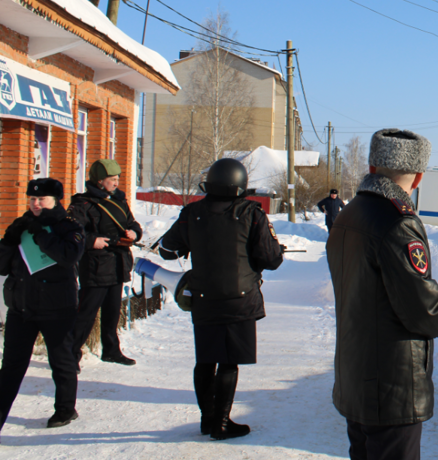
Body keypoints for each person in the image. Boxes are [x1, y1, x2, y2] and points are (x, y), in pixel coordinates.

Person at [327, 128, 438, 460]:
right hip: (391, 383)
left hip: (357, 374)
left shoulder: (348, 214)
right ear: (418, 179)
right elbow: (423, 311)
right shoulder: (398, 222)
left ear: (371, 168)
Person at [158, 158, 284, 440]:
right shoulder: (252, 212)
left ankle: (208, 419)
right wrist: (276, 249)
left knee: (205, 359)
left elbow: (166, 249)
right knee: (228, 361)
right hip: (240, 299)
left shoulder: (191, 213)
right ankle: (222, 423)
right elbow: (271, 259)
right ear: (241, 185)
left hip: (204, 297)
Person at [0, 179, 84, 431]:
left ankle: (65, 409)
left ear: (56, 200)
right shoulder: (23, 225)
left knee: (61, 362)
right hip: (21, 308)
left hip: (57, 309)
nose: (36, 204)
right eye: (32, 199)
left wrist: (41, 236)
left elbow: (69, 256)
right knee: (11, 366)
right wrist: (8, 240)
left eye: (42, 199)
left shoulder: (68, 226)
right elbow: (2, 267)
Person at [68, 159, 142, 368]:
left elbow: (132, 222)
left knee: (112, 313)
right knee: (86, 314)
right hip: (96, 265)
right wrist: (92, 240)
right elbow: (74, 231)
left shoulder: (119, 200)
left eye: (117, 179)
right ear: (100, 181)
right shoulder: (83, 203)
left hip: (118, 264)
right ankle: (70, 354)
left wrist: (134, 232)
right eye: (112, 179)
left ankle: (111, 351)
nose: (116, 183)